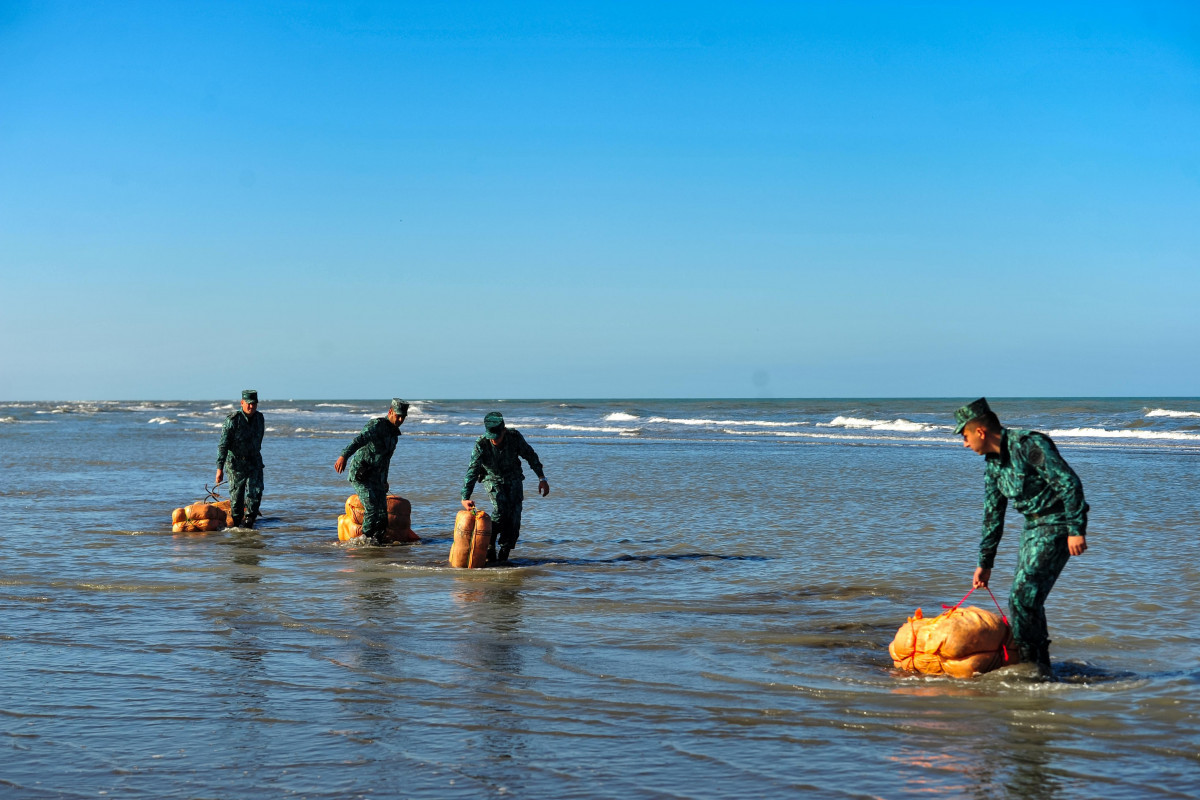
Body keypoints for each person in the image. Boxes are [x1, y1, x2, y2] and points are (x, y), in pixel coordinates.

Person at [954, 397, 1089, 676]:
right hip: (1032, 528)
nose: (964, 444)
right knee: (1026, 599)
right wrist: (985, 563)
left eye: (965, 436)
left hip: (1058, 524)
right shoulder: (993, 465)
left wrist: (1076, 529)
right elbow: (993, 516)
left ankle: (1033, 667)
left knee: (1022, 596)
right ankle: (1037, 664)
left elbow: (1069, 483)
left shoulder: (1029, 444)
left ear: (980, 431)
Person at [461, 412, 549, 563]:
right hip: (492, 478)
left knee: (514, 516)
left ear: (504, 430)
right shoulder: (481, 444)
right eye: (491, 437)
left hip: (514, 478)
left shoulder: (514, 437)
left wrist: (542, 478)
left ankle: (504, 552)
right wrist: (465, 497)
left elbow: (530, 455)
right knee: (501, 510)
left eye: (497, 436)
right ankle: (490, 543)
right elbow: (473, 470)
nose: (494, 440)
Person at [335, 398, 408, 542]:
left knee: (382, 515)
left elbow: (386, 461)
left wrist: (384, 480)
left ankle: (377, 543)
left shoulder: (394, 436)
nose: (400, 420)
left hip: (376, 477)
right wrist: (344, 456)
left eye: (403, 417)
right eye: (398, 415)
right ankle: (364, 540)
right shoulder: (377, 425)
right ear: (390, 412)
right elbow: (359, 439)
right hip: (361, 474)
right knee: (372, 508)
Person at [216, 389, 265, 528]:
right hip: (236, 464)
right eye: (248, 403)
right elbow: (223, 445)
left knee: (256, 493)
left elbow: (259, 440)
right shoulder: (232, 420)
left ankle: (249, 523)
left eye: (254, 404)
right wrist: (219, 469)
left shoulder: (260, 418)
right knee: (237, 498)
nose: (251, 406)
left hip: (254, 461)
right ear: (242, 403)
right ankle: (237, 527)